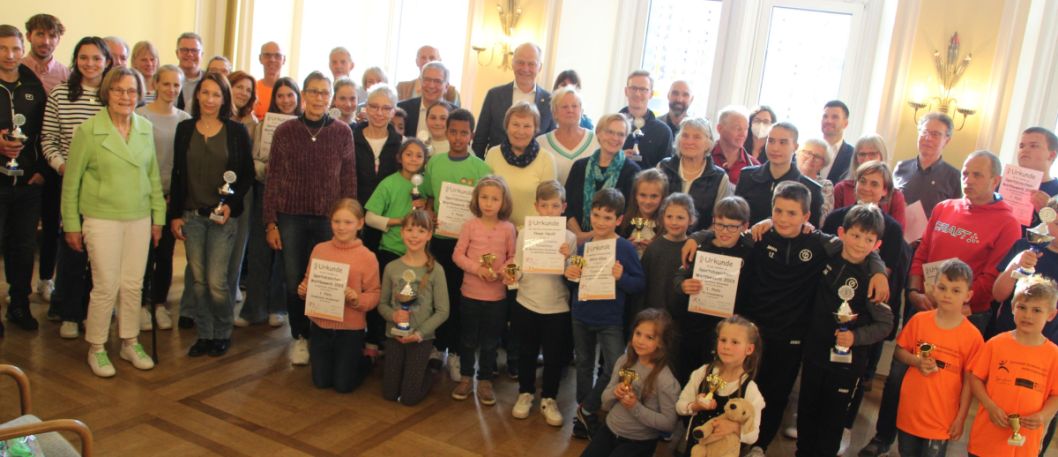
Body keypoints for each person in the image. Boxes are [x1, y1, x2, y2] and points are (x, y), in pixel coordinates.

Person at [727, 182, 890, 454]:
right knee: (743, 388)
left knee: (776, 395)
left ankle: (760, 446)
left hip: (793, 338)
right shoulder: (758, 236)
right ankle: (733, 441)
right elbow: (725, 236)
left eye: (792, 213)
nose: (782, 218)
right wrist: (698, 238)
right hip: (754, 332)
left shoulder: (819, 244)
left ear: (806, 218)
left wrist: (879, 270)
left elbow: (860, 249)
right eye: (777, 211)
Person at [61, 67, 164, 377]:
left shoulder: (145, 128)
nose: (125, 96)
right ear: (107, 92)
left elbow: (153, 177)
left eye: (132, 91)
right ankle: (97, 346)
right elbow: (71, 183)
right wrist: (71, 224)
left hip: (139, 217)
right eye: (119, 90)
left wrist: (158, 218)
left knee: (132, 285)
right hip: (100, 217)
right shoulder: (88, 131)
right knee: (106, 285)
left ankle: (129, 340)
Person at [264, 71, 356, 366]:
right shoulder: (286, 131)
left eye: (324, 92)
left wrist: (350, 219)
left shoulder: (343, 132)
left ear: (330, 97)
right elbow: (273, 178)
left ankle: (322, 335)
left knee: (326, 279)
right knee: (294, 280)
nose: (319, 98)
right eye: (313, 92)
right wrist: (271, 222)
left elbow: (348, 179)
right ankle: (300, 336)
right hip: (290, 216)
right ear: (303, 95)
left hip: (330, 220)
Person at [796, 204, 894, 457]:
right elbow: (800, 227)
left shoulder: (873, 279)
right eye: (856, 235)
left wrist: (855, 337)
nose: (860, 244)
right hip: (815, 353)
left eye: (868, 239)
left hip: (847, 365)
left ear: (877, 244)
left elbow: (885, 325)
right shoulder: (828, 251)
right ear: (842, 232)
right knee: (807, 410)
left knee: (832, 419)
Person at [169, 72, 254, 357]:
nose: (209, 99)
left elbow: (245, 177)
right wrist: (175, 215)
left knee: (217, 283)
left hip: (222, 218)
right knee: (199, 281)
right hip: (191, 217)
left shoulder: (236, 131)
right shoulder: (185, 130)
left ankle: (222, 331)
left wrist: (231, 205)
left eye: (216, 94)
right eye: (205, 93)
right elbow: (177, 174)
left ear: (224, 99)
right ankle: (204, 335)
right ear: (197, 96)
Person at [41, 36, 111, 338]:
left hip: (106, 187)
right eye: (84, 57)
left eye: (97, 58)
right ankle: (69, 312)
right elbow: (48, 139)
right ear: (76, 60)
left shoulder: (113, 95)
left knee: (101, 253)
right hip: (70, 184)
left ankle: (90, 311)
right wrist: (62, 166)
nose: (90, 64)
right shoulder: (60, 94)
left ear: (107, 61)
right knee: (73, 249)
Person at [908, 151, 1021, 334]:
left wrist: (949, 300)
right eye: (965, 174)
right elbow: (922, 252)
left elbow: (991, 279)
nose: (968, 180)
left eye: (977, 175)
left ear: (995, 181)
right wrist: (913, 292)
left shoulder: (1008, 224)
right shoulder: (944, 208)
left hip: (966, 313)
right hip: (924, 303)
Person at [567, 188, 647, 439]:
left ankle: (588, 408)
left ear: (619, 220)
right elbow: (573, 280)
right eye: (596, 215)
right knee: (583, 364)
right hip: (581, 314)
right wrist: (570, 275)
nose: (600, 222)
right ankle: (584, 414)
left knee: (614, 366)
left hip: (610, 318)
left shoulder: (623, 248)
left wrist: (621, 277)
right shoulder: (584, 246)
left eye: (607, 217)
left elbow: (638, 283)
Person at [420, 108, 492, 382]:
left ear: (472, 135)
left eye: (464, 132)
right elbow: (427, 198)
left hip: (468, 246)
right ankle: (438, 348)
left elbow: (487, 205)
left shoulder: (481, 168)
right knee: (439, 295)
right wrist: (430, 214)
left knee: (462, 300)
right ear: (446, 132)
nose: (458, 137)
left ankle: (460, 353)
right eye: (453, 132)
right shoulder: (435, 164)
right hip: (439, 241)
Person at [893, 259, 982, 457]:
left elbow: (970, 382)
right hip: (910, 412)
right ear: (933, 289)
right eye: (942, 287)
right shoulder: (919, 320)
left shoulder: (973, 337)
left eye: (955, 290)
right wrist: (917, 361)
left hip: (942, 418)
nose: (947, 295)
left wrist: (961, 418)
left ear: (968, 295)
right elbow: (899, 352)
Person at [506, 180, 577, 426]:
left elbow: (572, 276)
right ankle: (525, 393)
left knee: (553, 357)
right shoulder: (525, 233)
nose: (549, 210)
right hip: (527, 302)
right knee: (526, 351)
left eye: (555, 205)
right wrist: (511, 274)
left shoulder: (569, 238)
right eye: (544, 205)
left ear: (563, 207)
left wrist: (568, 260)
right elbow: (517, 264)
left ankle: (549, 398)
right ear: (536, 206)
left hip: (557, 307)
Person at [296, 198, 381, 393]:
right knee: (321, 382)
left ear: (360, 224)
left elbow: (375, 294)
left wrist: (357, 299)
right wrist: (304, 291)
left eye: (348, 222)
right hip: (320, 326)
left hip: (350, 328)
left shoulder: (367, 257)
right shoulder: (320, 249)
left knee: (343, 386)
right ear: (330, 222)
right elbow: (310, 281)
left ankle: (367, 360)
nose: (341, 227)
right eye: (336, 221)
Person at [968, 275, 1058, 457]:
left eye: (1037, 310)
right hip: (986, 440)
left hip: (1025, 445)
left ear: (1051, 315)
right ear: (1012, 308)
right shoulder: (995, 344)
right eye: (1022, 307)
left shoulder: (1054, 355)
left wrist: (1042, 416)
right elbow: (975, 377)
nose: (1027, 315)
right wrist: (990, 406)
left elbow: (1056, 395)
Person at [449, 176, 517, 405]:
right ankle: (467, 377)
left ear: (503, 202)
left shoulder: (508, 229)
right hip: (470, 293)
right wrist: (478, 269)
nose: (488, 203)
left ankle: (485, 380)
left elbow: (513, 257)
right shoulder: (469, 226)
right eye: (484, 197)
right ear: (477, 199)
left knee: (490, 341)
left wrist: (502, 270)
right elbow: (457, 255)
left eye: (494, 199)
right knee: (468, 339)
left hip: (497, 296)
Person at [580, 308, 679, 457]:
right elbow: (605, 403)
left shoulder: (665, 380)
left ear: (661, 343)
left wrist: (635, 407)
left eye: (649, 337)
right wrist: (615, 392)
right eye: (638, 333)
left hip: (638, 443)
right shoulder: (624, 361)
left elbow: (669, 424)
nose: (640, 341)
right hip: (609, 430)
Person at [675, 197, 754, 383]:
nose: (725, 232)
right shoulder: (700, 247)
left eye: (732, 227)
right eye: (720, 225)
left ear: (744, 226)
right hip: (695, 327)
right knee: (688, 377)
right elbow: (678, 276)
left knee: (720, 380)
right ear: (713, 222)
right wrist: (683, 286)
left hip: (728, 333)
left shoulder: (750, 252)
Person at [136, 64, 190, 331]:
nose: (171, 90)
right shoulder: (140, 115)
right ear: (155, 84)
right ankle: (142, 305)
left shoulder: (184, 119)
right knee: (144, 253)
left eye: (176, 85)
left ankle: (159, 303)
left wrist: (175, 197)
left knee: (166, 253)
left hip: (171, 197)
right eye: (166, 84)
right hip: (144, 195)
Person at [0, 24, 46, 335]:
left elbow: (46, 130)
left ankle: (20, 304)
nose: (10, 55)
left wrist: (41, 169)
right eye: (3, 49)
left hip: (28, 182)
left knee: (24, 246)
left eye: (15, 49)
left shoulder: (32, 83)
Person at [240, 77, 297, 328]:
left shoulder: (306, 126)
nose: (285, 100)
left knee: (285, 253)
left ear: (298, 97)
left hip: (293, 197)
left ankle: (278, 306)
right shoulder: (263, 126)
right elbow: (254, 161)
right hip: (265, 191)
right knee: (259, 250)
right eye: (281, 96)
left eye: (290, 95)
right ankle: (254, 308)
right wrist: (270, 169)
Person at [379, 209, 449, 405]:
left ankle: (431, 370)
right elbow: (382, 304)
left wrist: (419, 333)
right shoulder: (391, 267)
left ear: (429, 235)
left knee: (409, 398)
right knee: (389, 394)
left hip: (421, 338)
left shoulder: (436, 270)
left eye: (420, 230)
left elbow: (443, 310)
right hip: (394, 335)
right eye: (409, 229)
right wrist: (394, 316)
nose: (414, 235)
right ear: (401, 233)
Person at [364, 138, 429, 348]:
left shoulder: (426, 184)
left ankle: (404, 341)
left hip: (419, 255)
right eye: (409, 154)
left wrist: (426, 208)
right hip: (391, 251)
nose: (413, 159)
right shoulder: (389, 183)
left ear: (425, 160)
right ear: (400, 158)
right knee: (384, 299)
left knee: (411, 301)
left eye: (419, 155)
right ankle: (374, 340)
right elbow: (370, 217)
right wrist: (399, 222)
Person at [676, 316, 766, 455]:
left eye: (735, 342)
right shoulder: (702, 373)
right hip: (695, 450)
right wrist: (696, 406)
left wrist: (734, 428)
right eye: (723, 340)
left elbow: (753, 435)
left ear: (749, 349)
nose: (726, 346)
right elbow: (680, 406)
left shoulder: (750, 389)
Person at [565, 113, 640, 244]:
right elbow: (566, 206)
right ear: (598, 133)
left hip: (611, 244)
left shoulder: (633, 172)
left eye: (621, 134)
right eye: (610, 132)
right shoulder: (579, 167)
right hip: (575, 241)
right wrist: (578, 235)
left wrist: (592, 235)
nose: (615, 138)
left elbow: (630, 213)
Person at [484, 101, 558, 228]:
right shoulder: (493, 154)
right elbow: (484, 195)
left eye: (527, 126)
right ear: (506, 126)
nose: (520, 131)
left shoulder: (546, 159)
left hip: (532, 234)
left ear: (535, 129)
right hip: (496, 231)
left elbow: (550, 206)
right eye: (515, 124)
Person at [735, 122, 824, 226]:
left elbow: (811, 232)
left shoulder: (811, 189)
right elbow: (735, 217)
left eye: (783, 142)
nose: (775, 148)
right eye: (771, 141)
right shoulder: (747, 176)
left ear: (795, 147)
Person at [473, 42, 554, 157]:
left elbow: (551, 142)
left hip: (535, 170)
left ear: (539, 67)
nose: (525, 68)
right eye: (520, 62)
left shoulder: (550, 101)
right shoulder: (494, 95)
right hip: (497, 167)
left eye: (531, 64)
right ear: (512, 63)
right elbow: (480, 139)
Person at [353, 83, 403, 257]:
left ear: (393, 112)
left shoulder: (401, 145)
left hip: (387, 223)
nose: (379, 113)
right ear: (366, 107)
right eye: (374, 106)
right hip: (354, 217)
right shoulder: (350, 138)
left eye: (386, 108)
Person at [658, 117, 731, 232]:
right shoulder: (663, 167)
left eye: (697, 137)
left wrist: (697, 240)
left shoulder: (720, 178)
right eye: (685, 136)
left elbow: (722, 220)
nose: (689, 141)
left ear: (708, 143)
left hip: (699, 243)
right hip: (661, 238)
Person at [893, 112, 961, 219]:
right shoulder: (901, 168)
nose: (928, 138)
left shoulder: (955, 177)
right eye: (924, 132)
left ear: (946, 140)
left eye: (935, 134)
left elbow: (955, 216)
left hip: (933, 234)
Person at [639, 193, 695, 321]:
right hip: (653, 316)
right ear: (662, 218)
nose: (674, 222)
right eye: (669, 216)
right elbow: (643, 285)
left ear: (691, 219)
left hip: (682, 318)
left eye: (680, 217)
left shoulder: (693, 249)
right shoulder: (654, 248)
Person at [831, 134, 908, 226]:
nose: (867, 159)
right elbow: (834, 225)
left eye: (872, 154)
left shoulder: (895, 195)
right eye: (862, 154)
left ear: (882, 156)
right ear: (856, 158)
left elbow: (897, 234)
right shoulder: (841, 188)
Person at [537, 86, 597, 185]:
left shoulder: (596, 140)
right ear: (555, 113)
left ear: (581, 111)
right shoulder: (541, 143)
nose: (570, 110)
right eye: (564, 107)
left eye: (574, 106)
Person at [620, 70, 672, 169]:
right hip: (613, 184)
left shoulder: (663, 132)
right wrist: (618, 157)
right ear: (626, 91)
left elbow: (664, 172)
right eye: (633, 88)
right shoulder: (610, 126)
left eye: (643, 89)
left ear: (651, 94)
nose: (637, 94)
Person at [616, 169, 668, 256]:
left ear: (663, 197)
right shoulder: (623, 222)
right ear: (635, 195)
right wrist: (625, 246)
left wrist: (655, 249)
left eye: (654, 196)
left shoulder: (668, 225)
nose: (648, 201)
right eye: (643, 195)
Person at [396, 61, 452, 138]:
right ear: (420, 82)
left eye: (437, 81)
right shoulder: (402, 108)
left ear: (446, 87)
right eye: (427, 80)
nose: (431, 86)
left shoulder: (454, 113)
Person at [1016, 127, 1058, 226]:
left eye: (1033, 146)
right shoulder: (1001, 185)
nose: (1024, 150)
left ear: (1051, 155)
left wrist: (1050, 210)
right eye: (1021, 146)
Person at [395, 45, 460, 105]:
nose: (427, 61)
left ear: (439, 61)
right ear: (417, 61)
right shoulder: (402, 88)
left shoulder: (451, 92)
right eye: (423, 58)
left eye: (432, 58)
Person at [22, 14, 68, 93]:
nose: (46, 42)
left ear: (58, 40)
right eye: (40, 34)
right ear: (28, 36)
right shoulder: (14, 69)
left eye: (52, 36)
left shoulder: (66, 75)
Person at [711, 106, 757, 184]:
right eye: (738, 128)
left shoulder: (754, 166)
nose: (743, 134)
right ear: (720, 129)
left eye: (746, 129)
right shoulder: (703, 157)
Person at [795, 138, 835, 220]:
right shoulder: (786, 175)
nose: (811, 158)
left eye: (817, 156)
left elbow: (822, 218)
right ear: (798, 153)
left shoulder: (825, 185)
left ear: (823, 164)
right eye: (807, 153)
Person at [820, 100, 854, 181]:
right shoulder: (807, 150)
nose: (828, 121)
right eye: (825, 116)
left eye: (835, 117)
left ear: (845, 123)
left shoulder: (853, 155)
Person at [252, 41, 285, 120]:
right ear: (260, 58)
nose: (272, 60)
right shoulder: (251, 89)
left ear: (284, 60)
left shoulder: (292, 92)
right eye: (267, 55)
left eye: (277, 56)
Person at [174, 32, 203, 111]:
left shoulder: (208, 81)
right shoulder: (166, 78)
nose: (190, 54)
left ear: (202, 54)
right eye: (184, 50)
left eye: (194, 50)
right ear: (177, 53)